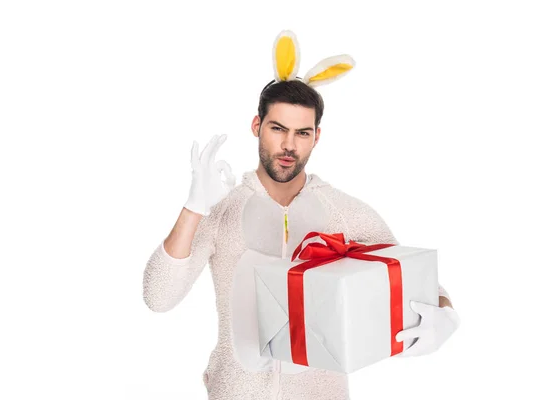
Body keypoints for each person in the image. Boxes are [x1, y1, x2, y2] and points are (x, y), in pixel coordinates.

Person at [143, 30, 460, 400]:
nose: (289, 145)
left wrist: (447, 315)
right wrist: (194, 207)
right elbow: (158, 296)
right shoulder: (222, 210)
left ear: (317, 137)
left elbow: (414, 280)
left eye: (302, 133)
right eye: (278, 129)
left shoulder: (345, 212)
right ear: (256, 126)